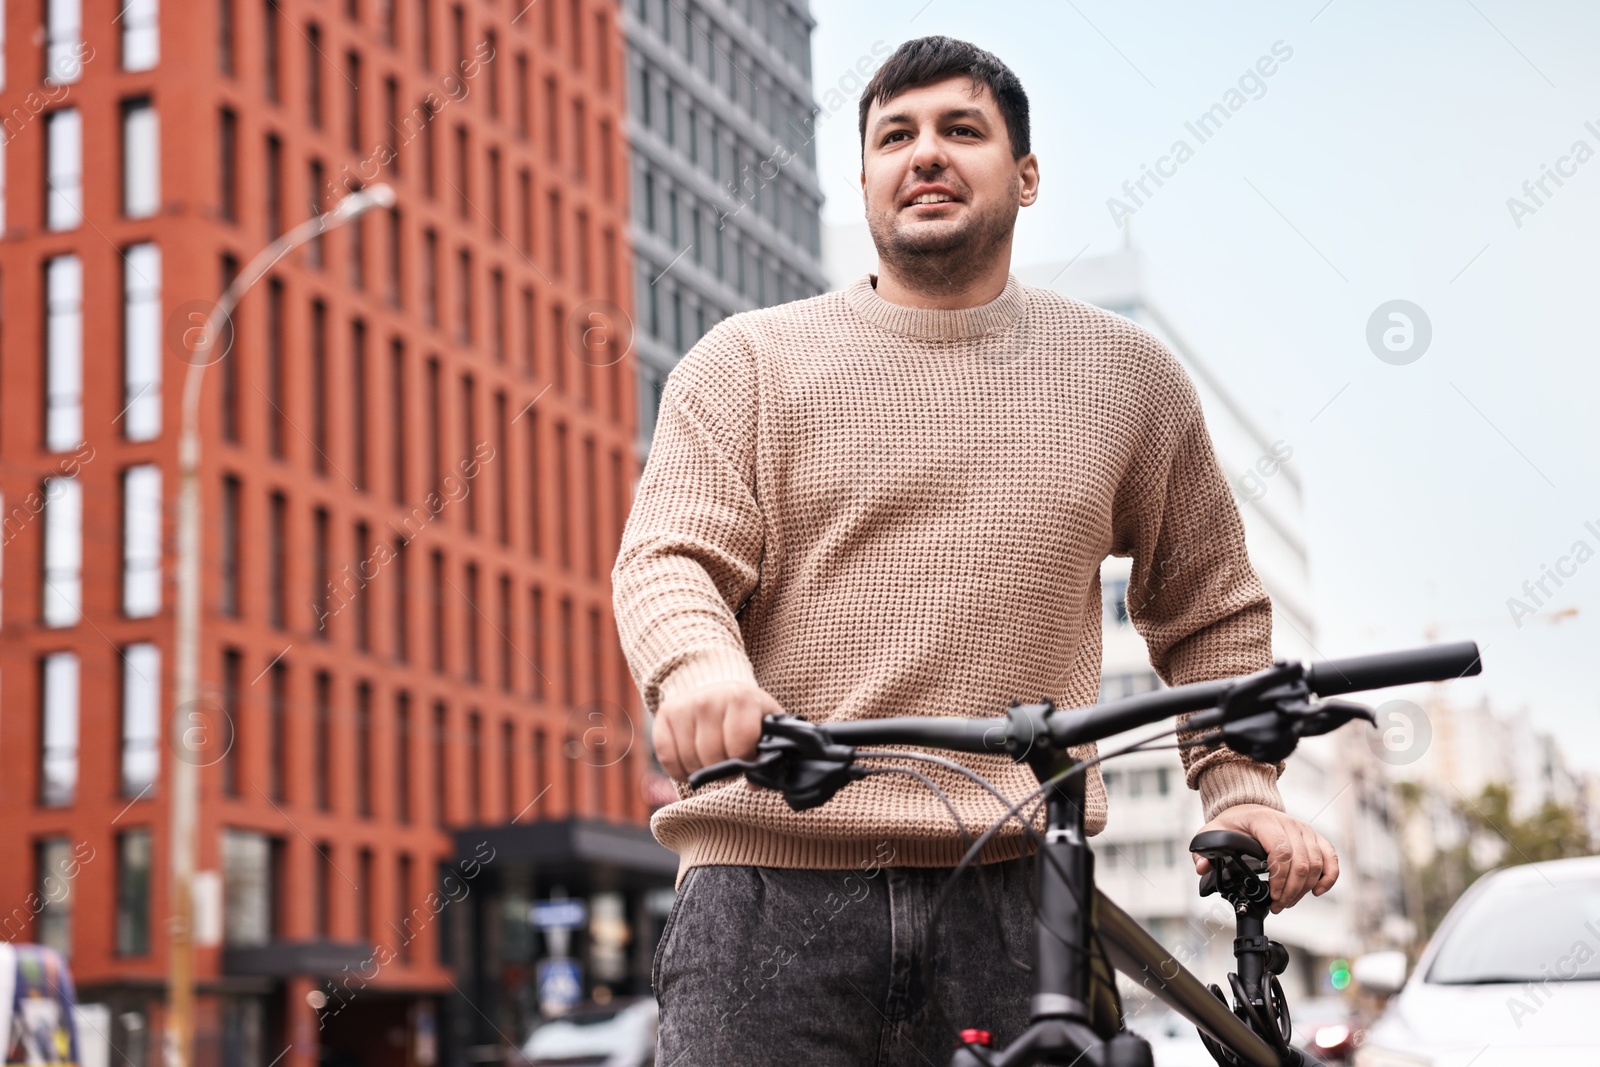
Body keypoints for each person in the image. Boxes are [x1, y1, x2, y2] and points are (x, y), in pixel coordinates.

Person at [611, 35, 1339, 1066]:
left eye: (962, 130)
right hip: (769, 889)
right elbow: (668, 558)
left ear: (1025, 174)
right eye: (894, 136)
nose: (926, 155)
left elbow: (1209, 605)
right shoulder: (746, 365)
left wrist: (1242, 787)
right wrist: (700, 669)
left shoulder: (1125, 377)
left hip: (1021, 888)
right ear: (863, 178)